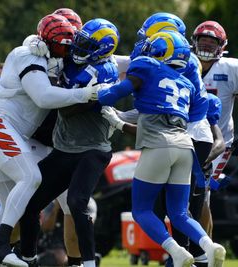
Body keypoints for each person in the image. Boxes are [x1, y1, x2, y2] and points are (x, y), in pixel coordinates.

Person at [0, 14, 99, 267]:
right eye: (65, 44)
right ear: (48, 41)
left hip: (5, 130)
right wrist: (86, 93)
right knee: (31, 178)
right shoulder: (29, 54)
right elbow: (43, 97)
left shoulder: (52, 57)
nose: (69, 50)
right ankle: (0, 244)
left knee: (13, 204)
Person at [97, 31, 226, 267]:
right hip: (185, 147)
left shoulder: (147, 66)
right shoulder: (187, 83)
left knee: (142, 211)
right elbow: (192, 115)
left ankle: (177, 252)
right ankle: (209, 245)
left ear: (161, 50)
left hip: (158, 146)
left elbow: (112, 95)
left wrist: (98, 94)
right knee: (179, 213)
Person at [19, 18, 119, 267]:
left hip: (92, 149)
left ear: (103, 49)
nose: (78, 47)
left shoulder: (104, 70)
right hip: (64, 148)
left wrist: (53, 87)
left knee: (76, 202)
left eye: (86, 44)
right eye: (79, 40)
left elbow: (69, 110)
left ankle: (87, 264)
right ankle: (27, 259)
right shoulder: (73, 61)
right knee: (28, 201)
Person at [191, 20, 238, 235]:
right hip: (187, 139)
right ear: (194, 42)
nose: (207, 46)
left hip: (218, 143)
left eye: (212, 42)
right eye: (204, 41)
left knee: (201, 194)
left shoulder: (231, 69)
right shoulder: (184, 64)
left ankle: (203, 254)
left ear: (222, 45)